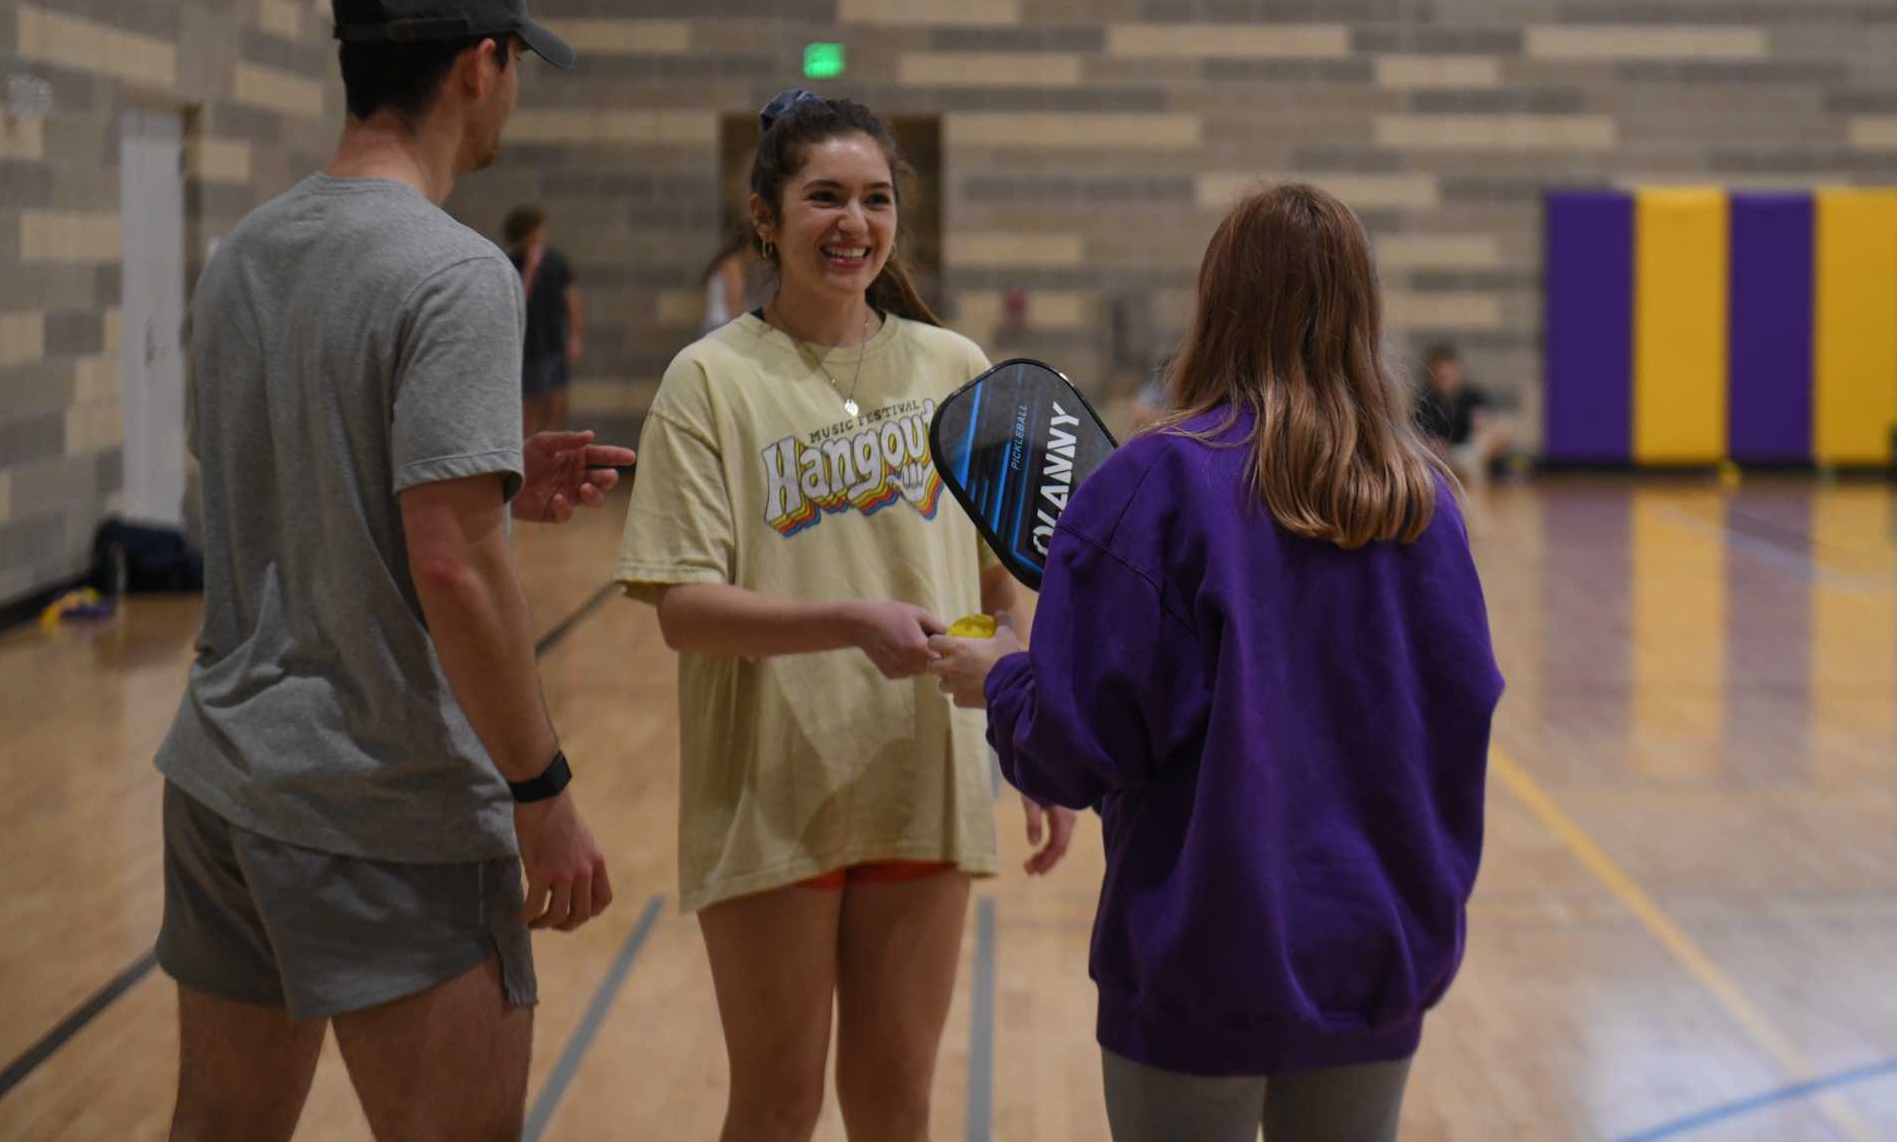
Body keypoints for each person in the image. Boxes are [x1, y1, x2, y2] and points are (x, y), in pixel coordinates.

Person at [153, 0, 631, 1142]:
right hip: (386, 801)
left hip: (222, 778)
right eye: (519, 65)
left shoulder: (240, 255)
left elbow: (277, 471)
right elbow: (449, 565)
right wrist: (543, 791)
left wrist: (485, 474)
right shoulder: (456, 272)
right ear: (480, 65)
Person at [932, 183, 1504, 1142]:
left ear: (1218, 302)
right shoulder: (1426, 502)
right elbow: (1463, 715)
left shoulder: (1155, 484)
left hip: (1200, 960)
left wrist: (999, 678)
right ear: (1364, 313)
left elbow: (1077, 745)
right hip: (1373, 956)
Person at [613, 88, 1076, 1142]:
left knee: (895, 1106)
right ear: (765, 216)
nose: (853, 222)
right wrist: (849, 621)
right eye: (824, 196)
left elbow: (1007, 579)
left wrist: (1034, 724)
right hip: (771, 781)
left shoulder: (955, 368)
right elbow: (682, 607)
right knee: (776, 1107)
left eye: (875, 198)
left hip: (925, 771)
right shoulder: (708, 381)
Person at [504, 204, 583, 436]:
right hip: (530, 346)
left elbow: (571, 299)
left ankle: (551, 443)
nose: (541, 234)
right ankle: (529, 451)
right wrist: (530, 267)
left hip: (554, 341)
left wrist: (575, 336)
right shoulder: (512, 262)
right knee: (532, 402)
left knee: (559, 398)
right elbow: (517, 299)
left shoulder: (555, 260)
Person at [1414, 342, 1510, 485]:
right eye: (1439, 374)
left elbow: (1484, 427)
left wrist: (1482, 430)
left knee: (1502, 428)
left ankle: (1468, 470)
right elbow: (1421, 433)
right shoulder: (1425, 399)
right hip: (1444, 454)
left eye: (1447, 373)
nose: (1443, 377)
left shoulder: (1473, 396)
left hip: (1471, 451)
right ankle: (1463, 471)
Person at [697, 235, 760, 339]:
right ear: (748, 247)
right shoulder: (733, 264)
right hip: (721, 325)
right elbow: (734, 300)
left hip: (715, 324)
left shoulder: (729, 262)